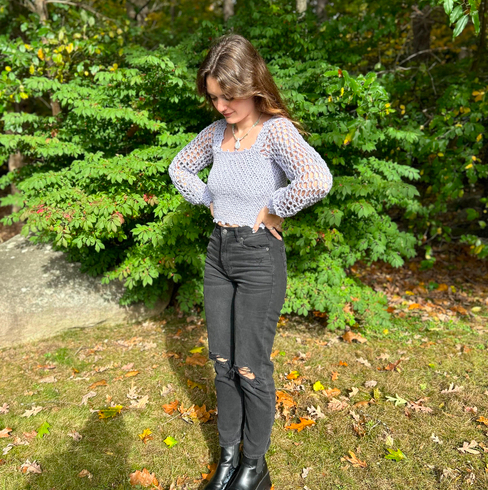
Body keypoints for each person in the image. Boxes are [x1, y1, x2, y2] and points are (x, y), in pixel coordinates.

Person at [168, 34, 333, 490]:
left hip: (259, 256)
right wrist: (209, 199)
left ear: (252, 86)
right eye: (214, 97)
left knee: (250, 366)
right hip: (218, 253)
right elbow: (179, 167)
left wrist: (275, 207)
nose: (221, 106)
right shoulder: (216, 134)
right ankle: (228, 457)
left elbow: (318, 178)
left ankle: (254, 466)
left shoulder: (276, 132)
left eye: (228, 96)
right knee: (222, 361)